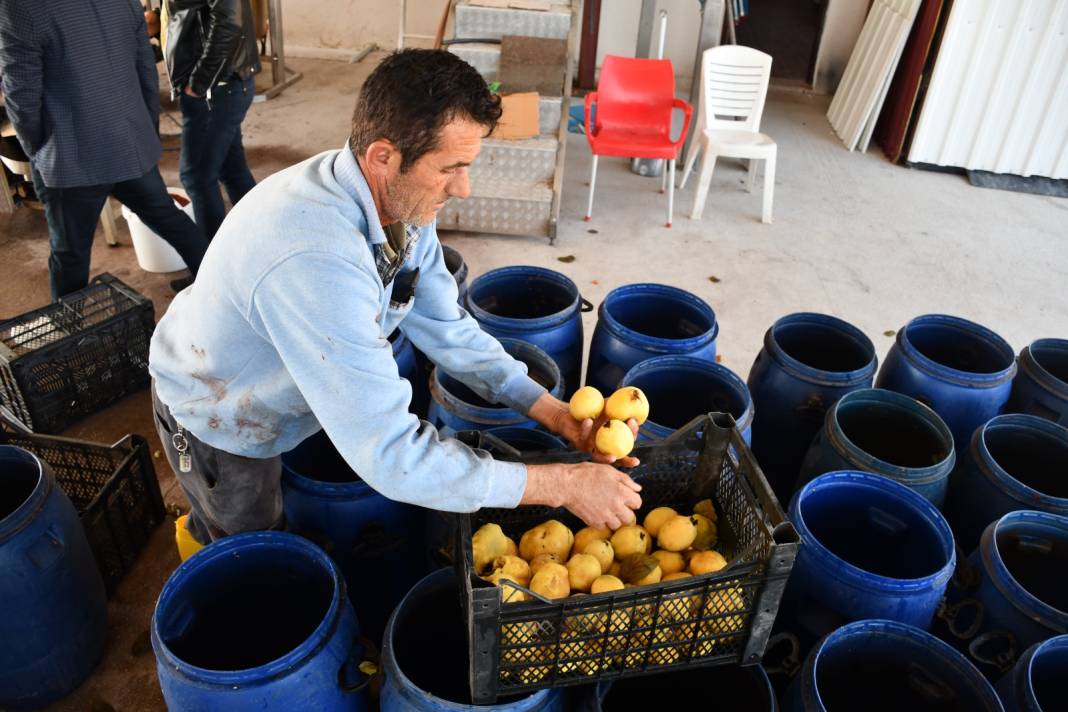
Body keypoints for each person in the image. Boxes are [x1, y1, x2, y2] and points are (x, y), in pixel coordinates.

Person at [149, 49, 643, 546]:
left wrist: (554, 413)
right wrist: (562, 485)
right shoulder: (317, 261)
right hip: (219, 410)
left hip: (284, 379)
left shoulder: (397, 204)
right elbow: (392, 455)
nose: (464, 188)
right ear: (383, 157)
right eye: (450, 167)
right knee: (244, 543)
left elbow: (446, 328)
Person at [0, 0, 208, 299]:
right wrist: (145, 129)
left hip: (70, 158)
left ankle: (72, 334)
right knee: (171, 220)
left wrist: (38, 148)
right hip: (129, 139)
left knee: (70, 255)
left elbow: (21, 93)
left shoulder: (19, 7)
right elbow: (145, 68)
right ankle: (219, 290)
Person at [162, 0, 261, 240]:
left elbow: (228, 22)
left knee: (197, 176)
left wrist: (199, 83)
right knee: (232, 169)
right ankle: (261, 243)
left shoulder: (207, 87)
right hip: (221, 88)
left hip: (215, 91)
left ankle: (212, 270)